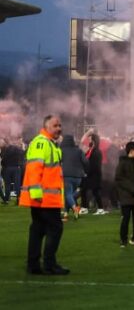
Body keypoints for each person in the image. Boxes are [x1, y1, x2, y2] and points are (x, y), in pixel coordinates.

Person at [21, 114, 68, 275]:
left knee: (38, 229)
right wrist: (36, 193)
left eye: (60, 125)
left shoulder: (49, 144)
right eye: (55, 126)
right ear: (46, 127)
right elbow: (34, 169)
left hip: (44, 197)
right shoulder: (42, 143)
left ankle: (33, 265)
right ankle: (49, 264)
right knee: (55, 228)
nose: (59, 128)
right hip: (44, 198)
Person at [114, 141, 134, 248]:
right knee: (125, 218)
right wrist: (132, 188)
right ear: (132, 151)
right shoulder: (122, 163)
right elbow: (119, 179)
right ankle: (123, 239)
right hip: (126, 196)